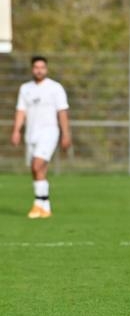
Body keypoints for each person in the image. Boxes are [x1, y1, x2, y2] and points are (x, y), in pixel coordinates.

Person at [11, 56, 71, 218]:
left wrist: (66, 134)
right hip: (31, 133)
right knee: (37, 170)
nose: (39, 70)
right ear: (32, 69)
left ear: (46, 69)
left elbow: (62, 112)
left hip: (49, 132)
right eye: (36, 67)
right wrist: (16, 130)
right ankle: (45, 207)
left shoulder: (55, 88)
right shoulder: (25, 88)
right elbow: (21, 111)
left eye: (42, 67)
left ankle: (38, 203)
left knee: (37, 165)